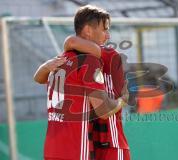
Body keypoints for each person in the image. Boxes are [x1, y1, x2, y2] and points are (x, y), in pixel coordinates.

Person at [34, 5, 128, 160]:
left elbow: (38, 78)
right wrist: (122, 99)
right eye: (104, 30)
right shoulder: (90, 61)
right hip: (77, 148)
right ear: (88, 31)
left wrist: (44, 66)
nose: (108, 36)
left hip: (52, 148)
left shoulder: (57, 62)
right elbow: (104, 111)